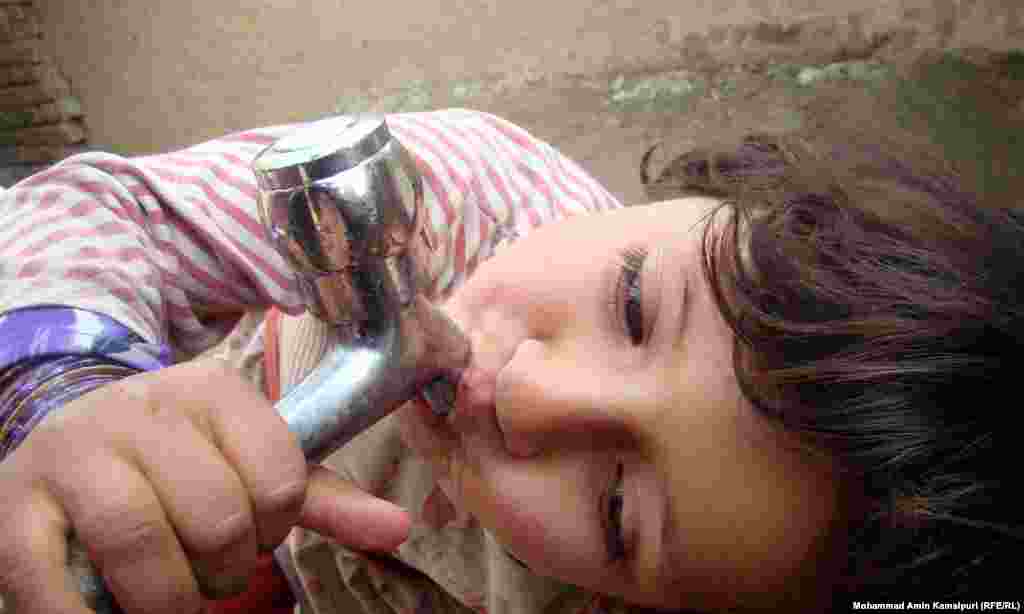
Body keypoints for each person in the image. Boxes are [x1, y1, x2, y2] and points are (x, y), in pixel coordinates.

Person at [0, 108, 1019, 614]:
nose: (529, 394)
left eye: (618, 507)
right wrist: (66, 393)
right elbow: (97, 212)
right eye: (632, 304)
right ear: (708, 197)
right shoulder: (454, 197)